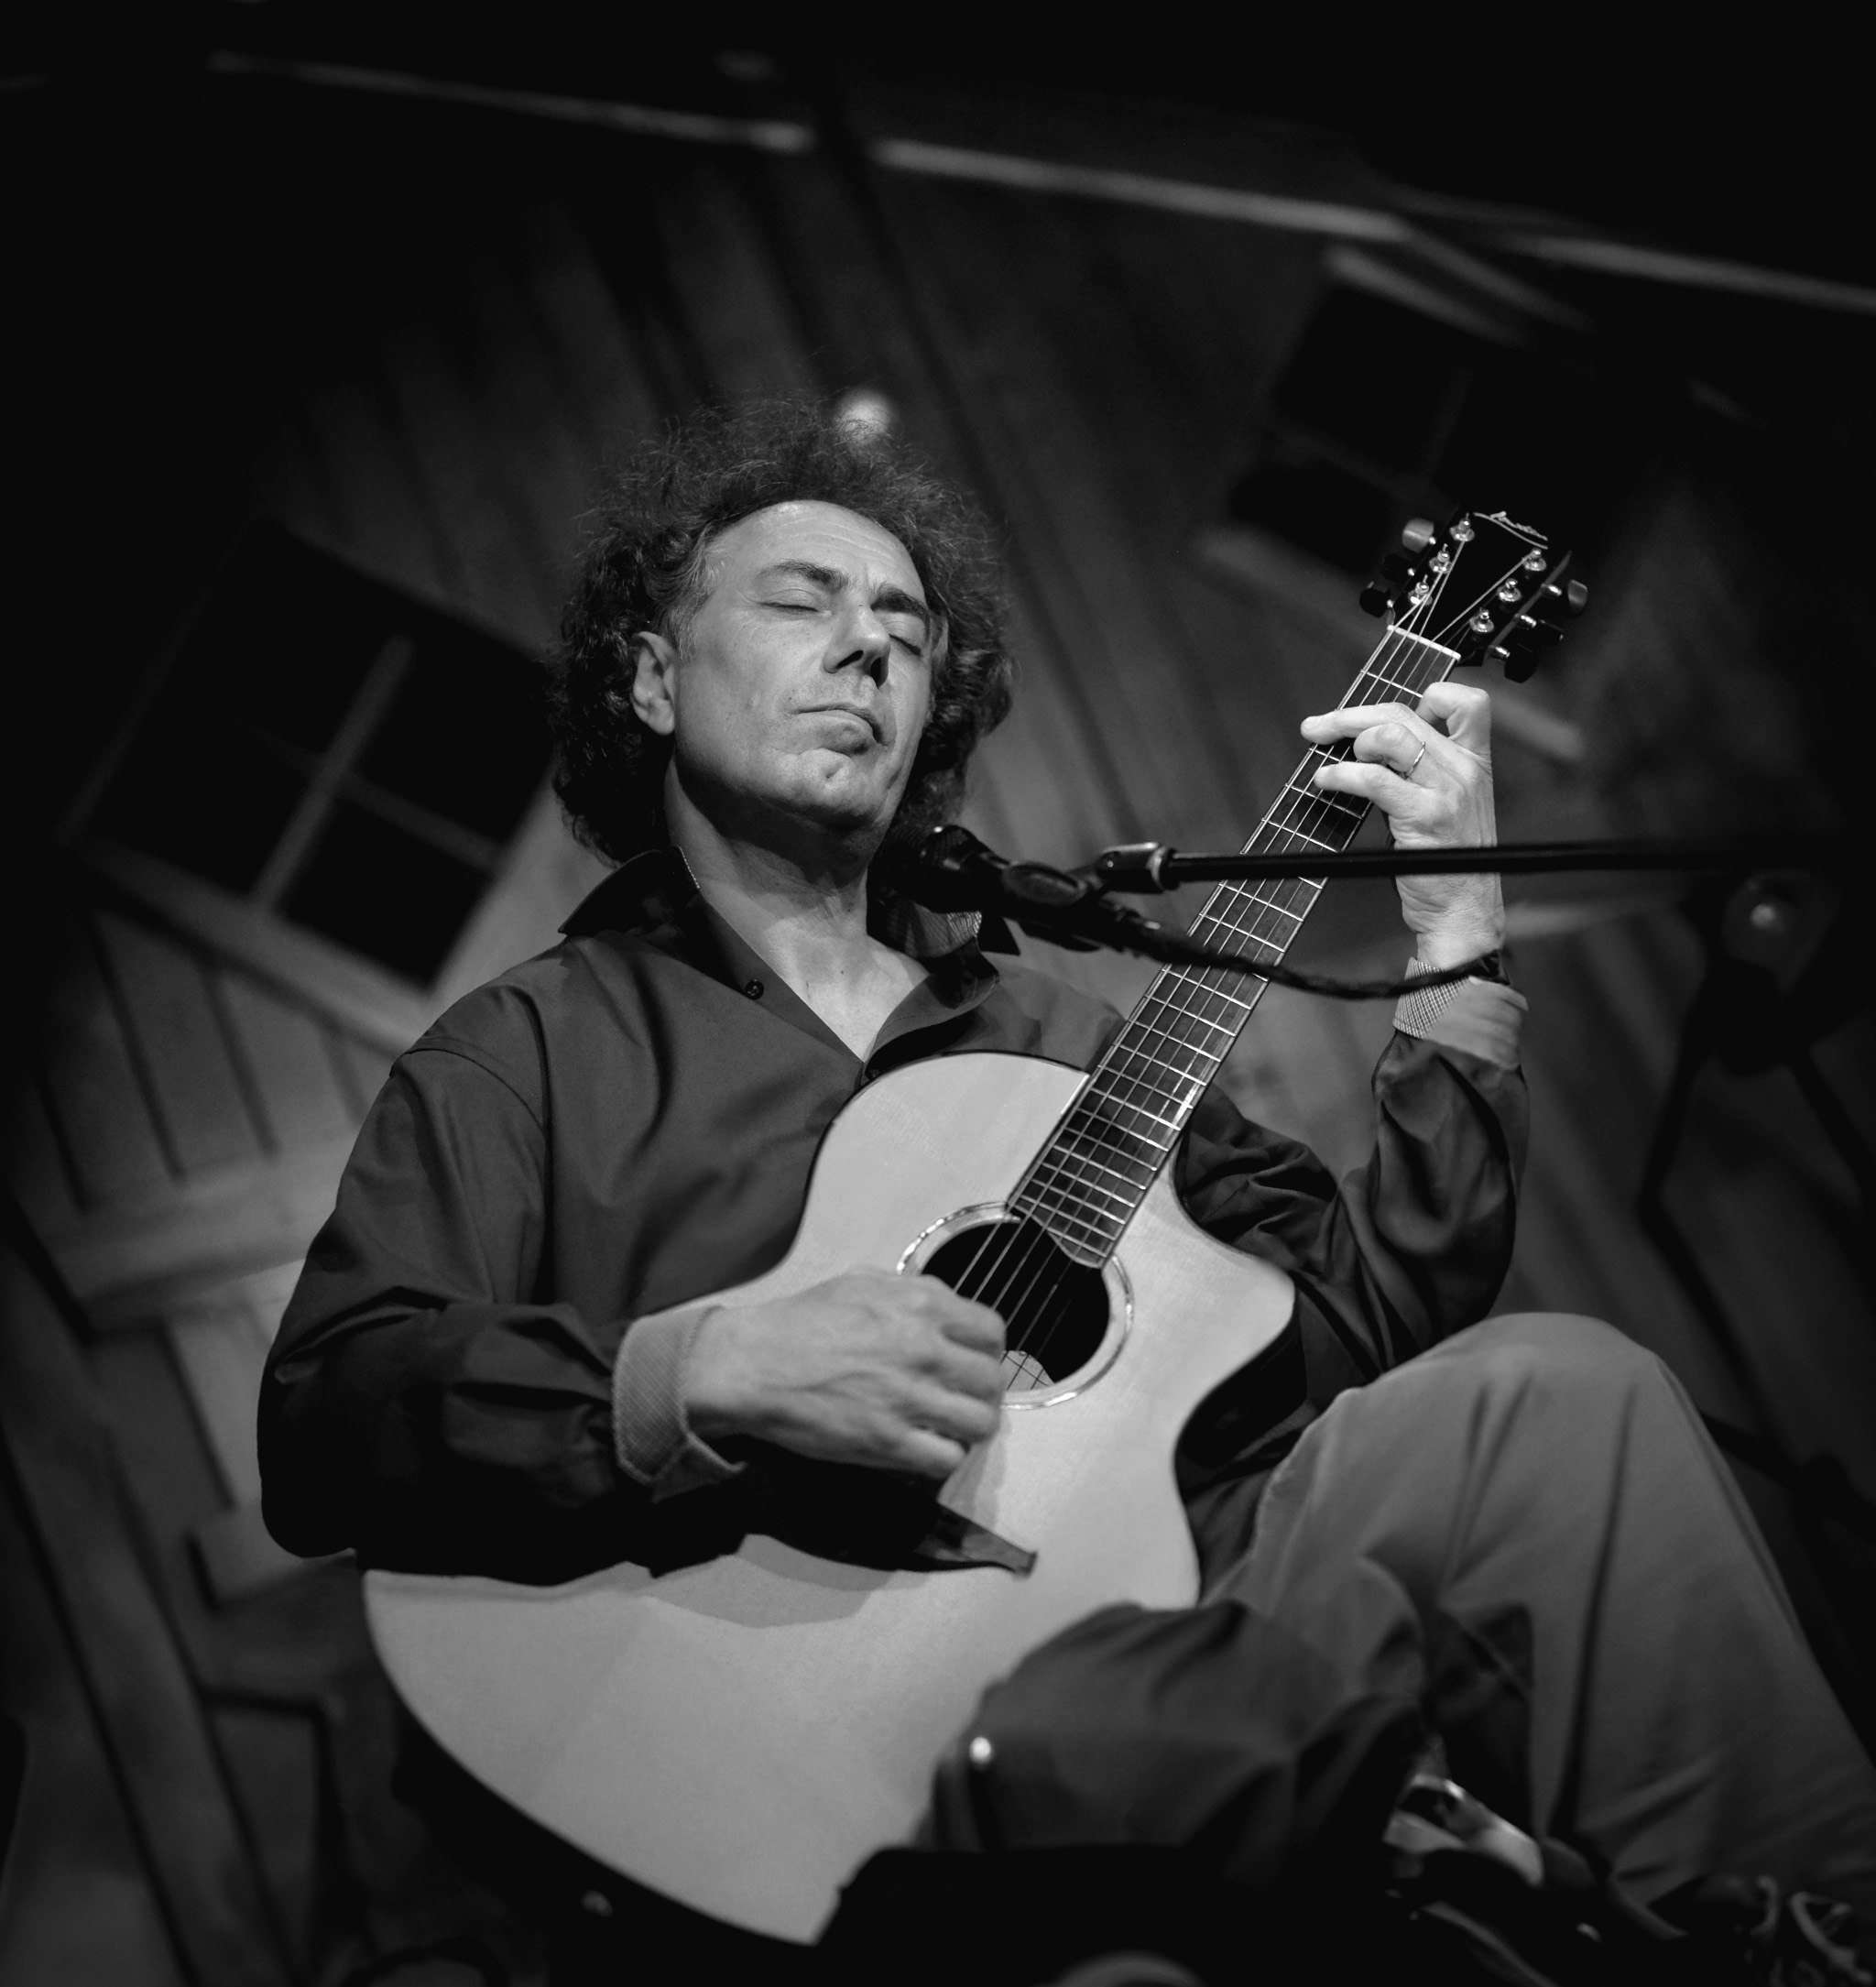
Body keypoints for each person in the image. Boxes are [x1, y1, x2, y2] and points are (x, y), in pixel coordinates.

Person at [260, 401, 1876, 1981]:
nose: (869, 646)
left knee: (1555, 1395)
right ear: (653, 676)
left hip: (1179, 1641)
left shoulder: (1065, 1035)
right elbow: (331, 1408)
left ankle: (1812, 1933)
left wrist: (1456, 939)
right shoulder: (528, 1053)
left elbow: (1374, 1317)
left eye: (906, 628)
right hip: (784, 1716)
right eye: (802, 602)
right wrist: (698, 1368)